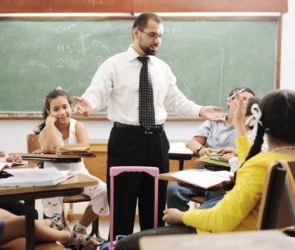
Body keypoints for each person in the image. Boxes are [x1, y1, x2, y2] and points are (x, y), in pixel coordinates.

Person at [73, 12, 224, 237]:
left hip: (156, 141)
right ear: (136, 32)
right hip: (125, 140)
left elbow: (176, 100)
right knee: (122, 205)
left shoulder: (162, 68)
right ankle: (120, 244)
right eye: (153, 35)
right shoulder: (113, 65)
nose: (158, 41)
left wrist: (200, 110)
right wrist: (89, 103)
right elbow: (98, 93)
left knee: (153, 206)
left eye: (161, 36)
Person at [114, 89, 295, 250]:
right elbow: (250, 160)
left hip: (225, 238)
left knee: (125, 244)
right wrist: (239, 124)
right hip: (256, 238)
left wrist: (182, 216)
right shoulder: (281, 162)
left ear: (260, 121)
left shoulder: (261, 165)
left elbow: (223, 220)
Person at [0, 96, 98, 250]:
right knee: (21, 222)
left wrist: (4, 163)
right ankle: (66, 237)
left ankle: (40, 226)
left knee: (1, 212)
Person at [34, 87, 108, 235]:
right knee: (51, 195)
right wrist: (49, 124)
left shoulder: (78, 125)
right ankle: (63, 231)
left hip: (78, 174)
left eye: (65, 107)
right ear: (49, 113)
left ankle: (80, 228)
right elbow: (53, 147)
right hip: (53, 176)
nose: (62, 112)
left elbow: (84, 145)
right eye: (56, 109)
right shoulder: (45, 131)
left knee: (104, 191)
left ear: (71, 107)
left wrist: (56, 149)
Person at [166, 87, 255, 211]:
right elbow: (194, 141)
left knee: (215, 195)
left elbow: (251, 156)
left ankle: (196, 222)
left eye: (250, 101)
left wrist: (235, 156)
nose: (244, 102)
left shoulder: (250, 127)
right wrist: (201, 149)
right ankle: (179, 228)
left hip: (229, 174)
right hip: (204, 171)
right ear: (229, 101)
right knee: (174, 189)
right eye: (242, 98)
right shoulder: (214, 121)